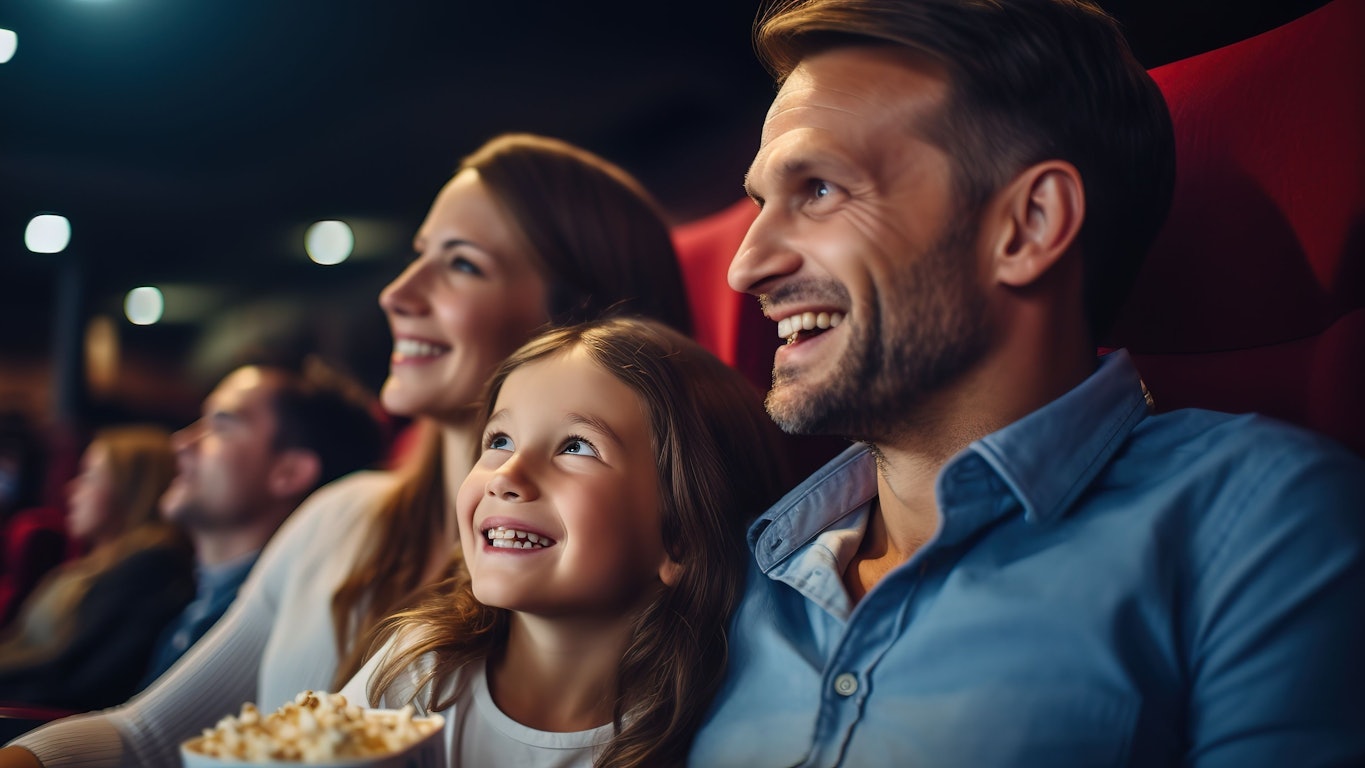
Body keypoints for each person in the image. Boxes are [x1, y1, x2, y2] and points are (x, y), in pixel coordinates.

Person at [689, 1, 1365, 766]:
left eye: (817, 190)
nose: (746, 267)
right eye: (759, 203)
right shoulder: (725, 578)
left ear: (1029, 225)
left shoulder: (1257, 525)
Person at [0, 132, 694, 767]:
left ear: (587, 326)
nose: (396, 294)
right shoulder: (339, 518)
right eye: (419, 255)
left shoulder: (600, 603)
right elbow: (149, 739)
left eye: (461, 264)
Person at [340, 317, 790, 767]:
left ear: (682, 536)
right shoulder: (418, 671)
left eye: (576, 447)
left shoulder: (730, 730)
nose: (505, 477)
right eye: (500, 440)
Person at [136, 359, 386, 689]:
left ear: (289, 473)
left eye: (220, 426)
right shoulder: (174, 590)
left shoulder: (282, 629)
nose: (182, 442)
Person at [0, 426, 190, 712]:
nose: (71, 489)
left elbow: (68, 679)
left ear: (132, 488)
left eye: (89, 476)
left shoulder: (149, 568)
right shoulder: (95, 564)